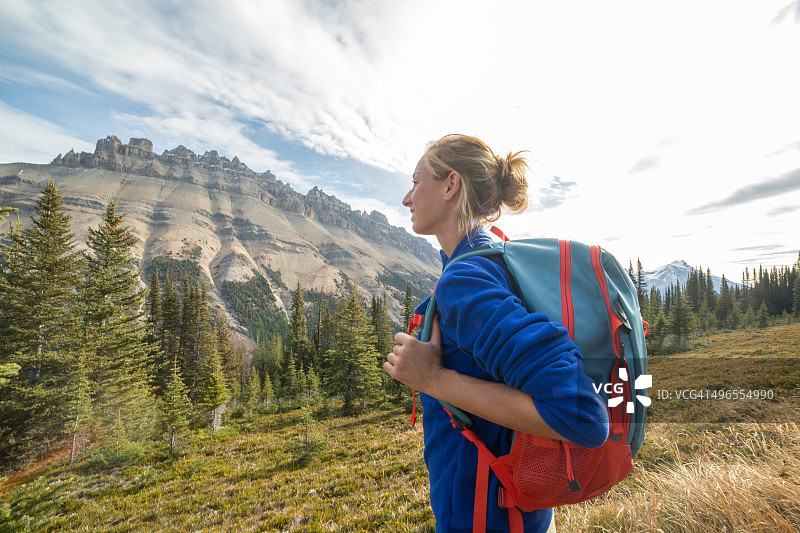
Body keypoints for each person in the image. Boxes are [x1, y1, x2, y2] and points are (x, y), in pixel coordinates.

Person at [383, 134, 609, 533]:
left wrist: (434, 379)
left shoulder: (466, 277)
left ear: (451, 185)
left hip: (489, 519)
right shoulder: (492, 257)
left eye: (417, 181)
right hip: (517, 512)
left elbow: (582, 416)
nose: (407, 198)